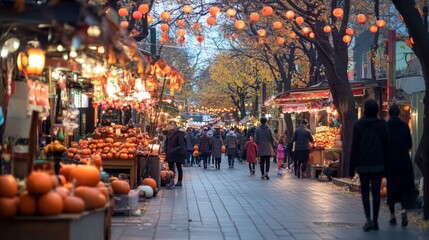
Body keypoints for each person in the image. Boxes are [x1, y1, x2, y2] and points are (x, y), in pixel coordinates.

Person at [350, 99, 388, 232]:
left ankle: (368, 219)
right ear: (377, 110)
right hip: (378, 164)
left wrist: (351, 168)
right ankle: (376, 221)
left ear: (365, 110)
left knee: (365, 192)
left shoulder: (358, 125)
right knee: (376, 193)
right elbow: (386, 146)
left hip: (364, 164)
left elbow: (354, 147)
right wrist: (387, 167)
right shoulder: (382, 125)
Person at [386, 103, 415, 227]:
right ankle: (404, 210)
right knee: (404, 187)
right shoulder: (404, 126)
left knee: (391, 188)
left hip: (391, 162)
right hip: (404, 161)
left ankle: (392, 216)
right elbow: (409, 144)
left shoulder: (385, 127)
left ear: (389, 114)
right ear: (398, 114)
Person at [164, 121, 186, 189]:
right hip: (170, 153)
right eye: (170, 125)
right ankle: (171, 181)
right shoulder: (169, 133)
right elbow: (166, 142)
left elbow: (181, 145)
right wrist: (166, 149)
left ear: (176, 125)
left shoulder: (179, 134)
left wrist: (173, 150)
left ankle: (179, 181)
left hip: (177, 153)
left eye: (173, 125)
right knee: (171, 168)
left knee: (178, 166)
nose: (171, 126)